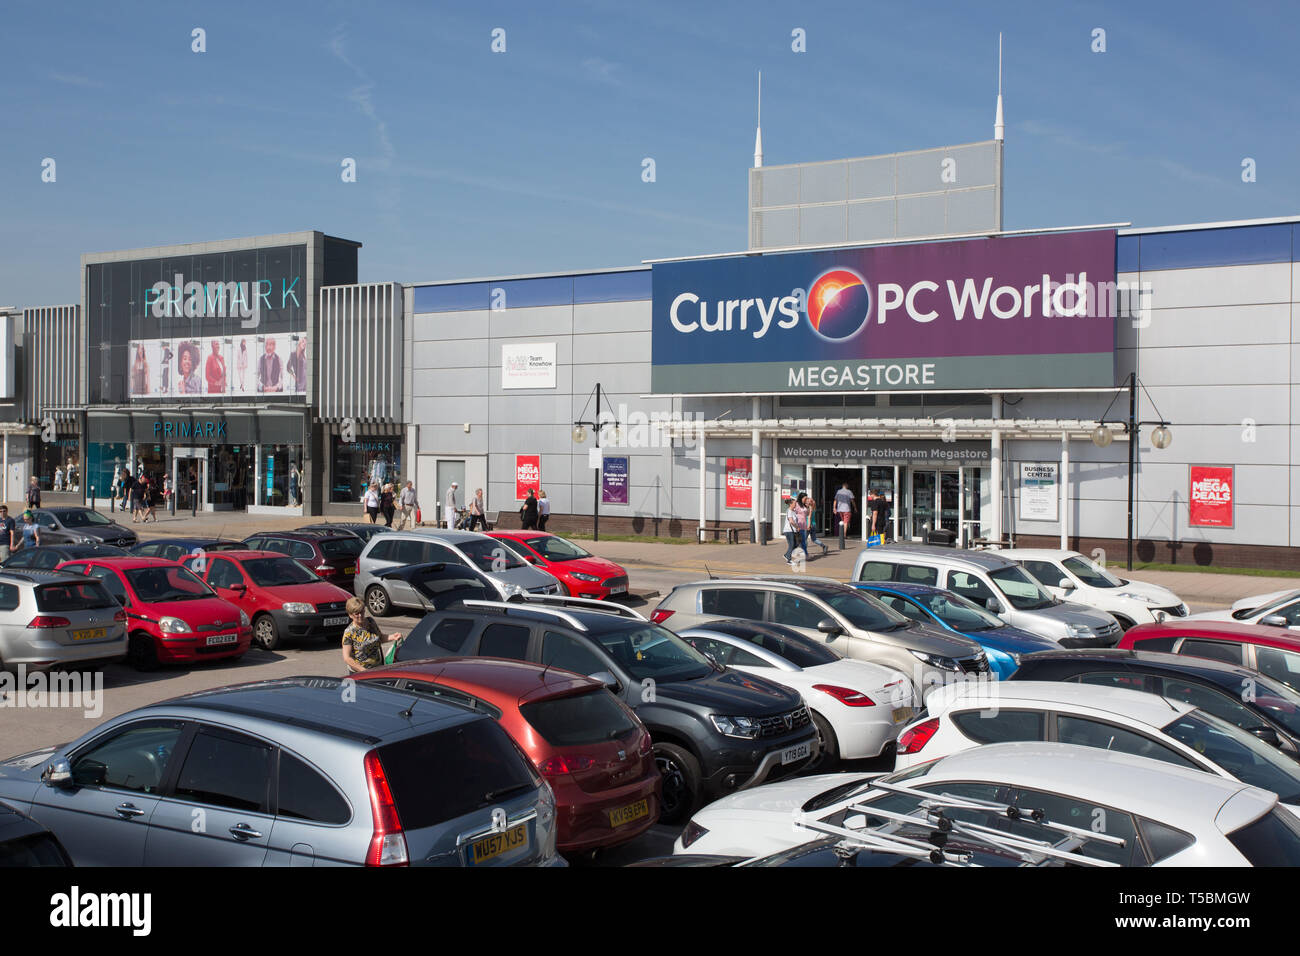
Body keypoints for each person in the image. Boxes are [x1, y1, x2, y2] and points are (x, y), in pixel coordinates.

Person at [340, 597, 403, 674]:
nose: (360, 615)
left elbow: (380, 638)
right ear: (350, 615)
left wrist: (393, 637)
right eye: (356, 613)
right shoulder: (349, 633)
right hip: (360, 673)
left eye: (362, 612)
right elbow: (347, 658)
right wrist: (364, 671)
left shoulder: (371, 622)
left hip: (378, 668)